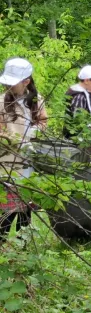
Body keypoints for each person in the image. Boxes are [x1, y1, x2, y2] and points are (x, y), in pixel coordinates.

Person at [0, 58, 47, 243]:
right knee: (7, 208)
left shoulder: (35, 99)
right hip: (7, 161)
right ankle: (2, 245)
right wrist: (13, 139)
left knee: (26, 208)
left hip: (29, 161)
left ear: (26, 82)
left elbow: (43, 121)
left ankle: (24, 247)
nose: (10, 86)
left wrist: (35, 132)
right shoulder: (2, 101)